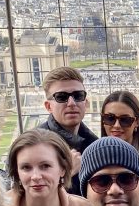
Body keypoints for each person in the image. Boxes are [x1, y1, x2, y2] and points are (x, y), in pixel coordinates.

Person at [38, 66, 98, 195]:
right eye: (61, 97)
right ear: (48, 106)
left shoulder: (94, 144)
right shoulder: (33, 146)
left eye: (78, 95)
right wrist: (66, 175)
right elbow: (25, 200)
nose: (71, 103)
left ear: (86, 103)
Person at [100, 90, 139, 167]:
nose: (117, 125)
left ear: (137, 122)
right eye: (110, 118)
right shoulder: (94, 160)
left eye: (125, 120)